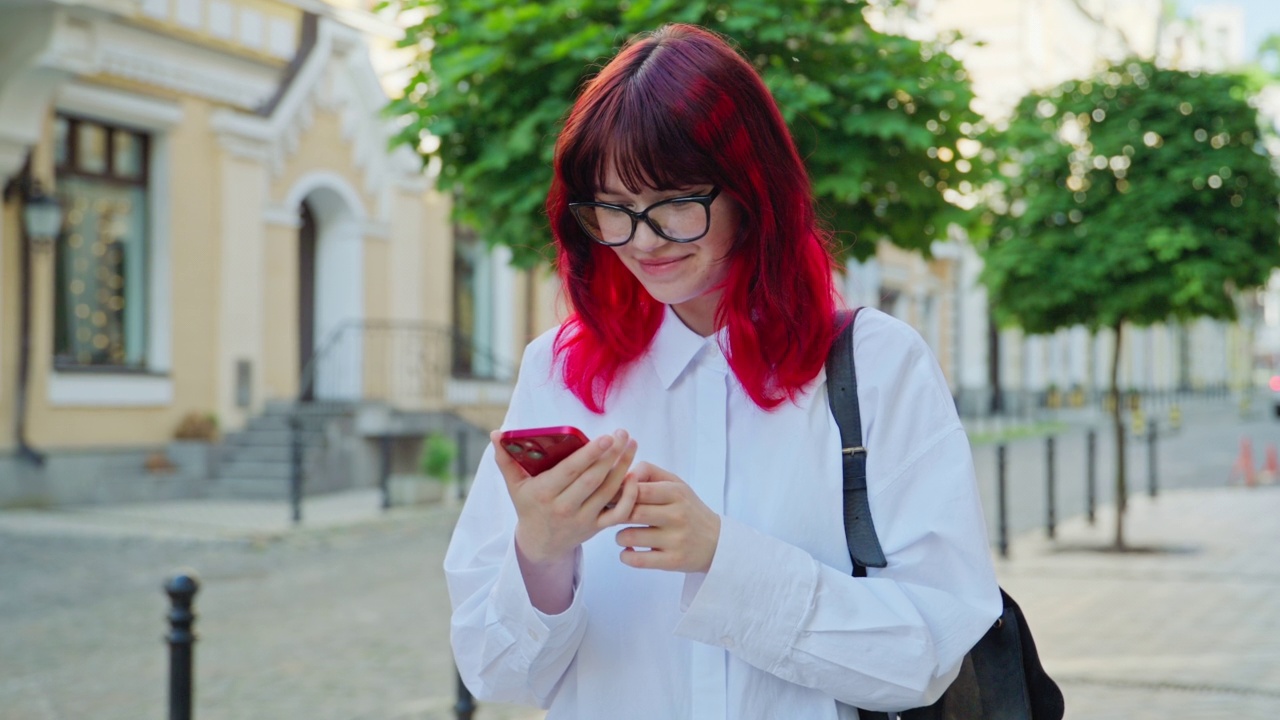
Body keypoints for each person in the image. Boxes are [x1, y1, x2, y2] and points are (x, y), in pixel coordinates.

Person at [443, 23, 1001, 719]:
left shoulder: (878, 365)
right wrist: (542, 556)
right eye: (612, 209)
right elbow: (494, 676)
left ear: (751, 191)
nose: (642, 240)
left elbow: (928, 653)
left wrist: (724, 559)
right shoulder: (556, 371)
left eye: (675, 202)